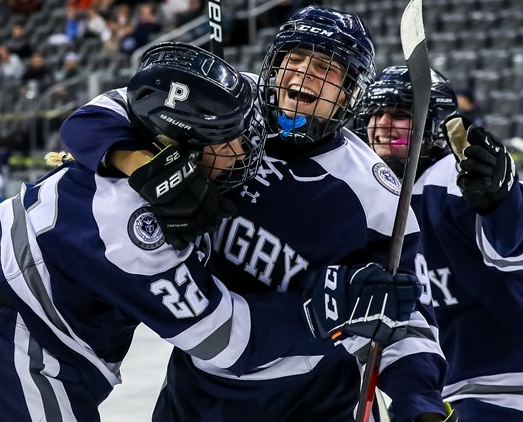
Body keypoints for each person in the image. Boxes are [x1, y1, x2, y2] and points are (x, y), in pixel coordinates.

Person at [0, 41, 422, 422]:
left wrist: (144, 165)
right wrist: (321, 314)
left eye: (326, 69)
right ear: (187, 144)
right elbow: (221, 338)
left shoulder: (200, 113)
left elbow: (406, 308)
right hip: (25, 349)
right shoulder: (140, 229)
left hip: (28, 335)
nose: (248, 149)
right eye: (231, 139)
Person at [60, 8, 450, 422]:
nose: (301, 78)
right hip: (196, 390)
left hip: (311, 403)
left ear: (350, 93)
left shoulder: (375, 196)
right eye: (293, 61)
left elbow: (404, 314)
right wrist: (147, 167)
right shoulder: (225, 103)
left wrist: (418, 404)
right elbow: (92, 119)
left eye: (324, 68)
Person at [354, 66, 523, 421]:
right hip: (438, 386)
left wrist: (501, 200)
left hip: (507, 382)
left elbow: (521, 236)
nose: (383, 125)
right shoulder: (372, 190)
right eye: (376, 113)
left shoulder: (452, 176)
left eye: (400, 114)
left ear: (435, 127)